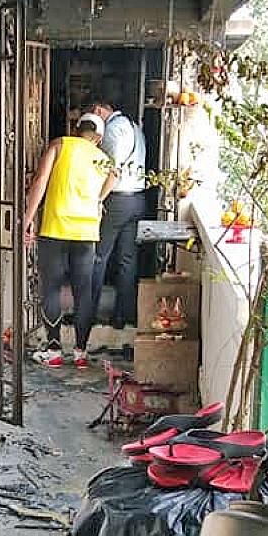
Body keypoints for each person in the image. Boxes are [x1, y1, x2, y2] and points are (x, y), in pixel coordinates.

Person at [23, 113, 117, 369]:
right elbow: (114, 177)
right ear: (98, 138)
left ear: (76, 129)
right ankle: (80, 353)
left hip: (54, 228)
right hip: (86, 233)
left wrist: (28, 219)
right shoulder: (103, 159)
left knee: (51, 288)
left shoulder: (60, 145)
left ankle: (53, 350)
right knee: (83, 292)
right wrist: (99, 200)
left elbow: (40, 181)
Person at [90, 101, 153, 352]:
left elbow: (112, 171)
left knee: (98, 256)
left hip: (117, 200)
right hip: (137, 198)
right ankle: (122, 316)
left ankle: (89, 313)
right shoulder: (135, 127)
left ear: (98, 111)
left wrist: (98, 199)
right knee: (128, 260)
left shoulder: (114, 129)